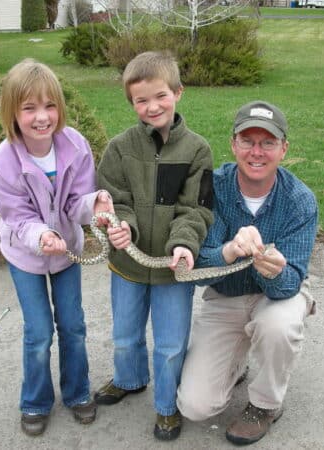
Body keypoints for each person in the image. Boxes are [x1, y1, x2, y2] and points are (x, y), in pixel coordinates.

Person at [176, 100, 318, 446]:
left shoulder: (300, 201)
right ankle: (236, 365)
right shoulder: (215, 186)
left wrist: (275, 271)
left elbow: (289, 285)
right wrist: (227, 251)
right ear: (233, 144)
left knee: (278, 325)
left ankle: (265, 405)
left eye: (268, 142)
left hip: (275, 297)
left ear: (283, 149)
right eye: (247, 141)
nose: (257, 152)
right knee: (195, 406)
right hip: (225, 296)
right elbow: (202, 273)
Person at [0, 59, 113, 436]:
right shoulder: (3, 161)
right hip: (26, 255)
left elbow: (78, 201)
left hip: (68, 252)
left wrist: (96, 205)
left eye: (49, 106)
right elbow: (18, 216)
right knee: (39, 331)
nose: (41, 117)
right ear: (12, 112)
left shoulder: (75, 145)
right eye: (29, 108)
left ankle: (76, 393)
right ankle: (36, 401)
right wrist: (41, 235)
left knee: (73, 325)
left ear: (59, 107)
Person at [95, 51, 214, 441]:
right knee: (125, 334)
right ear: (131, 103)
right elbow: (116, 200)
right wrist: (121, 227)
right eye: (141, 100)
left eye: (160, 95)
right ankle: (130, 380)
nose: (152, 107)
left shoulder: (197, 151)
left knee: (169, 344)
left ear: (178, 92)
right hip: (127, 267)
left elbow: (196, 209)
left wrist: (184, 244)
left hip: (172, 271)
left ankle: (166, 406)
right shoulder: (118, 149)